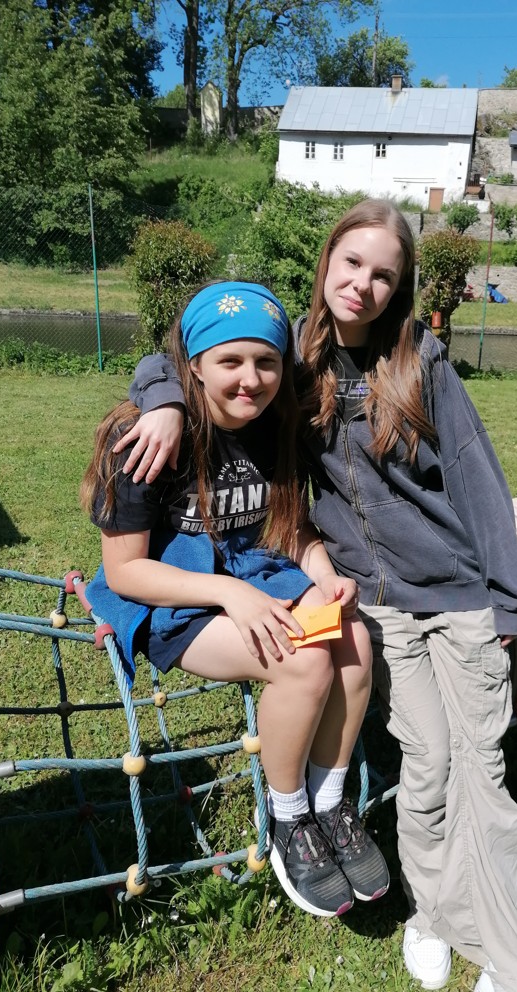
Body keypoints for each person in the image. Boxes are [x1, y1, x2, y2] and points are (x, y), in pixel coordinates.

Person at [120, 206, 517, 992]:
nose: (363, 285)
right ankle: (430, 913)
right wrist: (161, 401)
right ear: (325, 264)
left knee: (481, 767)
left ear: (401, 286)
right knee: (428, 758)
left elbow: (477, 478)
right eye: (351, 264)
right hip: (371, 594)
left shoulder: (420, 360)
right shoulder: (293, 359)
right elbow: (190, 353)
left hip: (453, 589)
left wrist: (510, 604)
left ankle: (510, 959)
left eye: (384, 274)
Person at [81, 280, 389, 921]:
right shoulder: (144, 436)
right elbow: (125, 570)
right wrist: (230, 593)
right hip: (172, 595)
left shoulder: (271, 424)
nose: (251, 379)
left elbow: (291, 528)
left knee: (355, 641)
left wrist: (324, 576)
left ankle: (329, 800)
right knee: (302, 660)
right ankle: (287, 817)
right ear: (194, 365)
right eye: (230, 361)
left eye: (266, 361)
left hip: (252, 572)